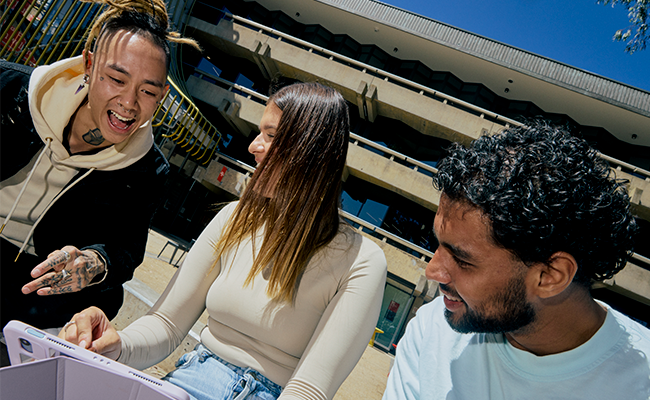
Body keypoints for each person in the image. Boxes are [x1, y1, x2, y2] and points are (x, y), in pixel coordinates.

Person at [60, 82, 388, 400]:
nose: (253, 146)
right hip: (189, 378)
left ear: (311, 152)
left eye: (271, 136)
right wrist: (116, 345)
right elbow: (166, 324)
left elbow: (310, 390)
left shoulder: (361, 261)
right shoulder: (234, 217)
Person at [382, 122, 650, 400]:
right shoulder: (431, 332)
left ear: (550, 276)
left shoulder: (640, 384)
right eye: (437, 244)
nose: (433, 270)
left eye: (462, 259)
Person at [0, 0, 200, 333]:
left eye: (147, 91)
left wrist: (94, 262)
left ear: (162, 94)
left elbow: (125, 250)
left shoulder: (147, 170)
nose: (129, 102)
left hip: (37, 291)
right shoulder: (11, 91)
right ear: (89, 64)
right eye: (116, 79)